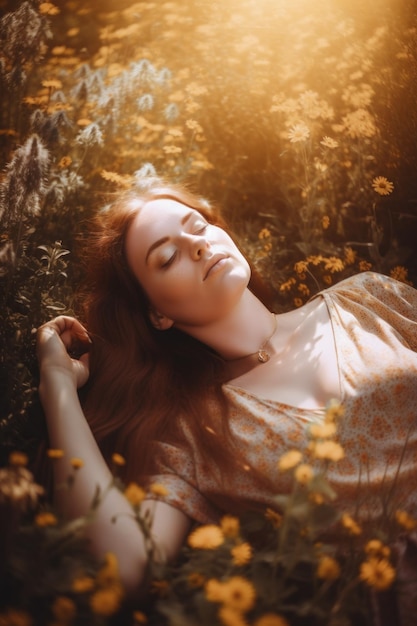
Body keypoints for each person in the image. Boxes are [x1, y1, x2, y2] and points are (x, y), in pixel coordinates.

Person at [36, 177, 417, 598]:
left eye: (197, 226)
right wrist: (58, 385)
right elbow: (128, 564)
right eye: (167, 257)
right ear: (157, 314)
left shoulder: (365, 298)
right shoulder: (195, 434)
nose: (197, 245)